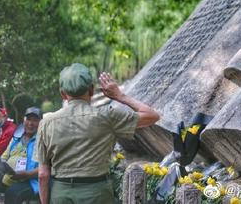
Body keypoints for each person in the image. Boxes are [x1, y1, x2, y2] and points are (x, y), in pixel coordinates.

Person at [35, 63, 160, 204]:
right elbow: (152, 115)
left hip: (61, 194)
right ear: (92, 90)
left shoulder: (46, 123)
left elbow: (43, 174)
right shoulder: (108, 117)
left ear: (63, 94)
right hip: (97, 193)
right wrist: (120, 96)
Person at [0, 107, 41, 204]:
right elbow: (4, 157)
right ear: (24, 120)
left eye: (35, 120)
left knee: (13, 193)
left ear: (40, 123)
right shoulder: (17, 136)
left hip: (30, 180)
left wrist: (24, 174)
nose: (30, 123)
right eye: (28, 119)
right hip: (10, 176)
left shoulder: (42, 140)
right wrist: (4, 167)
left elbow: (45, 168)